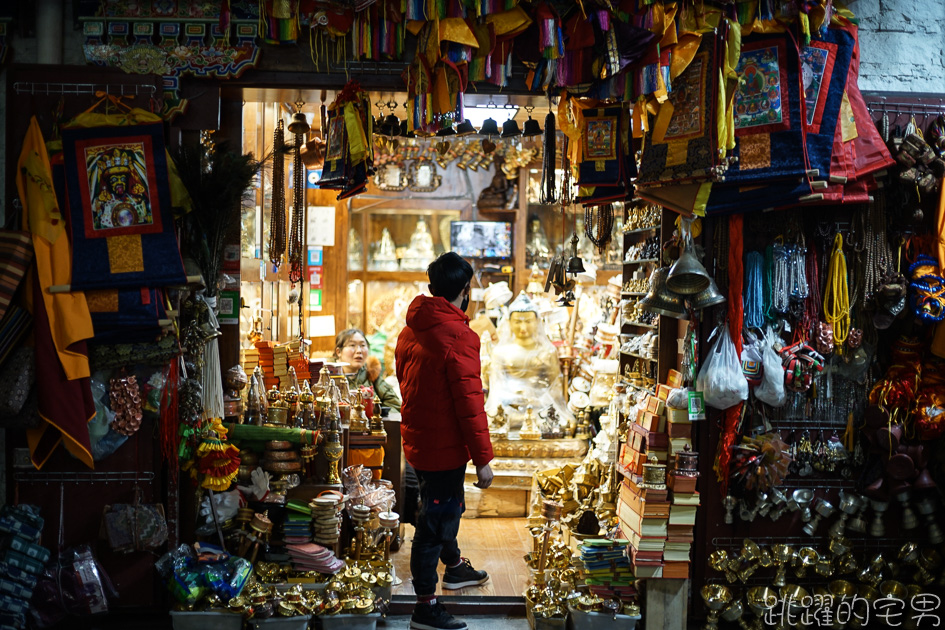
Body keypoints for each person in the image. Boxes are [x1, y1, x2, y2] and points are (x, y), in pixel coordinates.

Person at [395, 252, 494, 630]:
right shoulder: (460, 336)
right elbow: (470, 402)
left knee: (443, 510)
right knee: (434, 524)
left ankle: (454, 569)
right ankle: (425, 606)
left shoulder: (412, 328)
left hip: (420, 442)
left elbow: (409, 384)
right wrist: (483, 459)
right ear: (464, 291)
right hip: (444, 449)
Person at [333, 328, 401, 411]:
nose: (359, 351)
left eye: (363, 345)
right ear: (338, 352)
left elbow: (395, 404)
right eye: (352, 345)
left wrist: (378, 416)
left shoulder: (371, 373)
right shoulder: (328, 376)